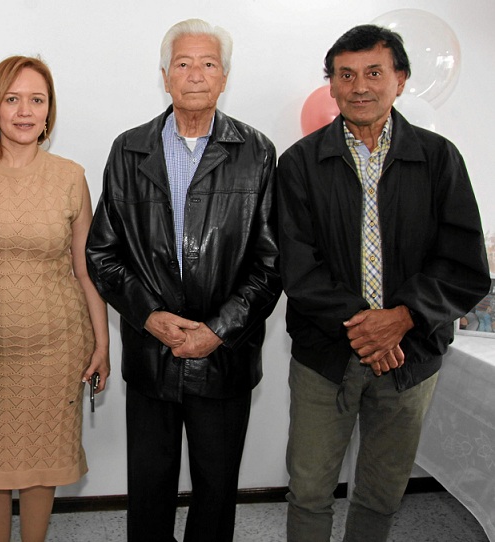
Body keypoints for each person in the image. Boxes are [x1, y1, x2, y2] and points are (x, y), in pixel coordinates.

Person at [277, 24, 491, 542]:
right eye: (345, 75)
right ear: (331, 85)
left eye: (374, 72)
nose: (360, 87)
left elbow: (463, 264)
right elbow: (296, 266)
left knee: (380, 492)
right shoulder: (299, 163)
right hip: (325, 354)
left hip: (410, 354)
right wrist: (367, 329)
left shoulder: (439, 159)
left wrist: (400, 319)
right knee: (308, 490)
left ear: (401, 79)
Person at [86, 18, 281, 542]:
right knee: (149, 493)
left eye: (208, 63)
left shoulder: (257, 152)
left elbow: (270, 263)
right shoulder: (129, 150)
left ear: (224, 78)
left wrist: (217, 328)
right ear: (166, 76)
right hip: (152, 355)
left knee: (216, 493)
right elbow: (102, 255)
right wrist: (150, 317)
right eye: (183, 63)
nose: (196, 74)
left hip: (225, 355)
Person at [0, 56, 110, 542]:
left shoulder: (69, 176)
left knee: (44, 459)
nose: (25, 111)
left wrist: (103, 342)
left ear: (49, 112)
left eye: (37, 100)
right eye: (13, 99)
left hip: (57, 343)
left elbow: (86, 268)